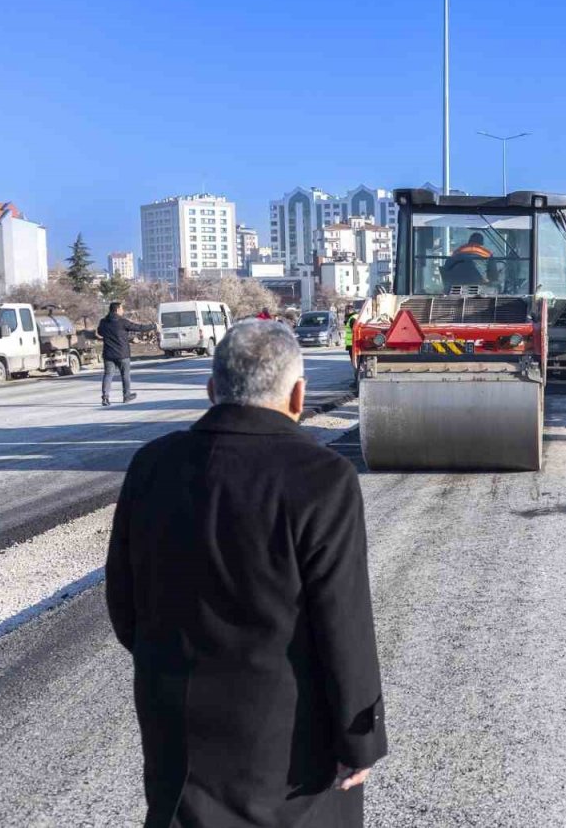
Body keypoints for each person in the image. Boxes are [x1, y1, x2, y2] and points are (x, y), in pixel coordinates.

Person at [105, 321, 386, 827]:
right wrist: (359, 738)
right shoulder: (321, 478)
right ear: (298, 395)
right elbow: (344, 625)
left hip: (177, 737)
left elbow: (124, 607)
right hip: (287, 754)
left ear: (212, 389)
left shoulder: (151, 466)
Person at [96, 302, 154, 408]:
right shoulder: (122, 322)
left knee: (108, 375)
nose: (123, 311)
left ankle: (105, 397)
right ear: (117, 310)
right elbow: (138, 327)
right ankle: (126, 396)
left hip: (108, 354)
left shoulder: (103, 322)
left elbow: (100, 332)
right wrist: (153, 326)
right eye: (122, 309)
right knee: (125, 375)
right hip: (122, 354)